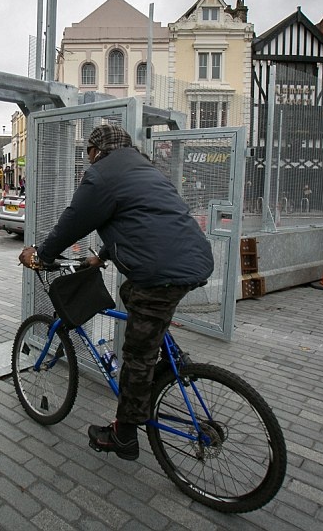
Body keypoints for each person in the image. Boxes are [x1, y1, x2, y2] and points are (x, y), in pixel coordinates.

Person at [18, 124, 214, 461]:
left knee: (137, 355)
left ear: (97, 150)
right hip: (193, 259)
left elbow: (74, 220)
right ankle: (167, 369)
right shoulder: (145, 168)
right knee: (146, 321)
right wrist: (102, 255)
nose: (88, 159)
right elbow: (140, 221)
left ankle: (123, 436)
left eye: (89, 153)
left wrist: (43, 255)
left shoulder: (101, 174)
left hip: (159, 273)